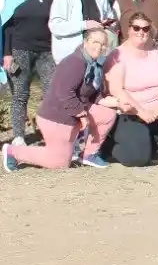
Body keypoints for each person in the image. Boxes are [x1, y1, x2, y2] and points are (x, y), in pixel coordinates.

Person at [3, 27, 119, 172]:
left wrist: (115, 102)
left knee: (106, 113)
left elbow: (91, 94)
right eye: (95, 42)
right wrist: (82, 115)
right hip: (56, 118)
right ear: (85, 42)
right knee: (59, 162)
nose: (99, 47)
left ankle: (89, 154)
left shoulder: (93, 65)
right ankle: (14, 152)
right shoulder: (74, 63)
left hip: (72, 113)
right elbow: (65, 93)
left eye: (103, 44)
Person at [104, 14, 158, 166]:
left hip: (157, 107)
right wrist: (141, 111)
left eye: (145, 29)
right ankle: (109, 147)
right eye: (136, 28)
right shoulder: (118, 55)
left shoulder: (156, 52)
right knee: (138, 159)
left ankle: (151, 142)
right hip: (131, 112)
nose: (141, 32)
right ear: (129, 30)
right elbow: (117, 90)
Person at [3, 0, 55, 145]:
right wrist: (7, 54)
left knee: (51, 92)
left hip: (47, 51)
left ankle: (50, 133)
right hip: (20, 49)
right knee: (20, 94)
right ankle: (19, 136)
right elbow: (7, 25)